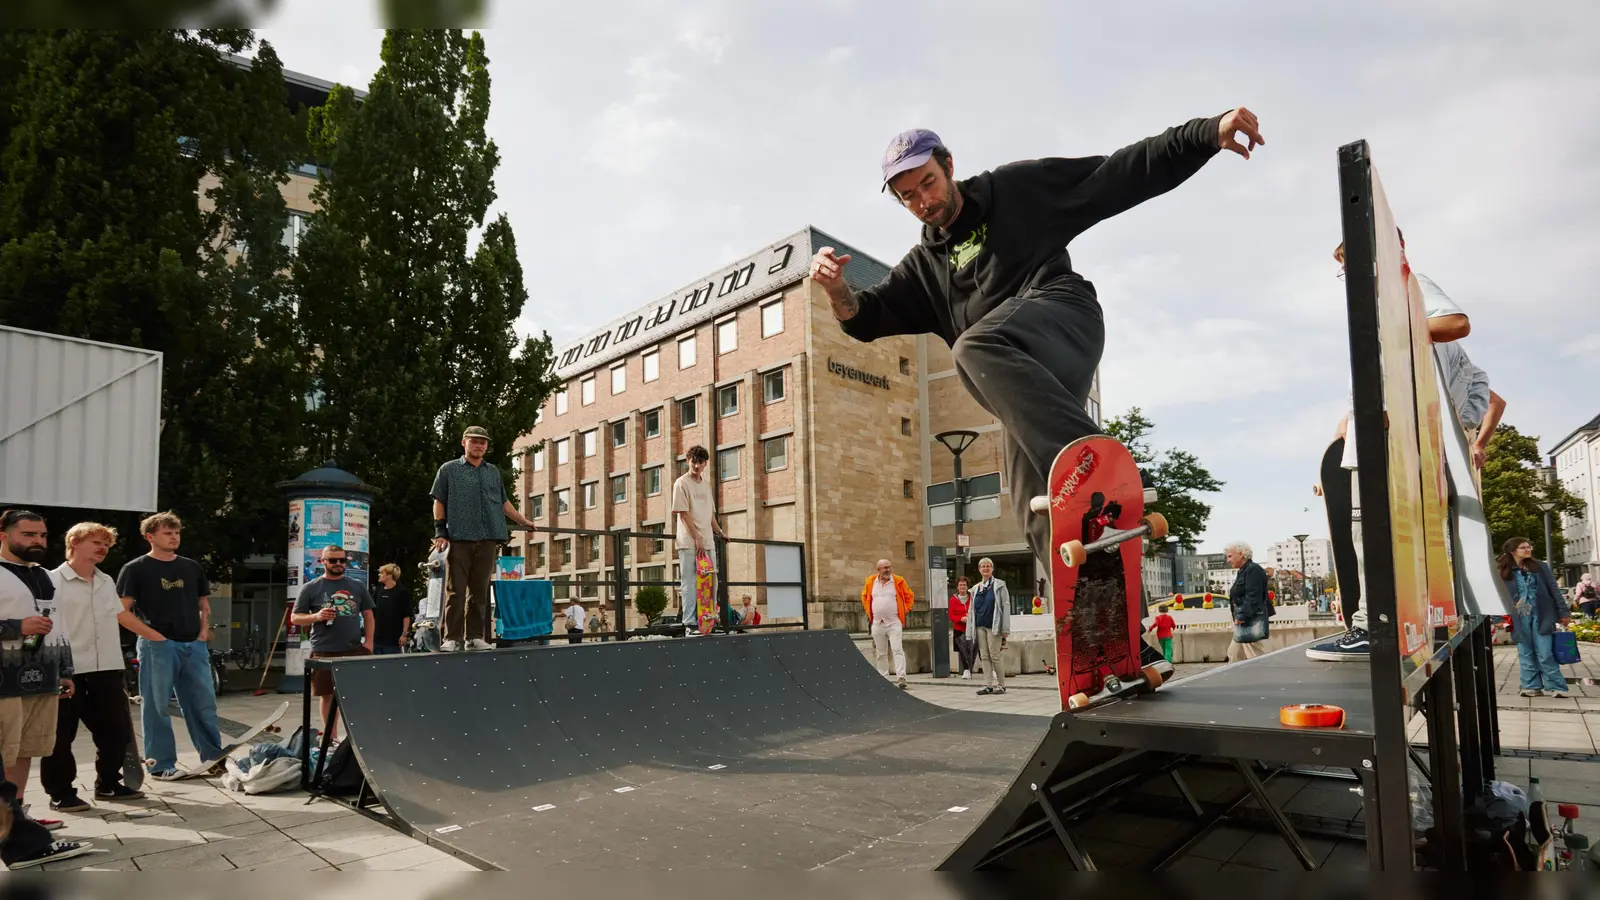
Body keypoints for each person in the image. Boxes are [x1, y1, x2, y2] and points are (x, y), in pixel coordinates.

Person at [812, 108, 1265, 579]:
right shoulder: (924, 269)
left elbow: (1118, 174)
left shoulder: (1016, 189)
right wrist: (836, 290)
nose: (923, 201)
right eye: (908, 197)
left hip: (1065, 320)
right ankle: (1111, 629)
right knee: (1037, 505)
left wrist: (1204, 134)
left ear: (948, 166)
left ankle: (1097, 468)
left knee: (971, 346)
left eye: (928, 183)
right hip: (1026, 384)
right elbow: (862, 319)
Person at [1307, 236, 1506, 662]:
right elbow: (1480, 400)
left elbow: (1456, 321)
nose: (1347, 277)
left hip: (1390, 443)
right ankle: (1425, 619)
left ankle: (1370, 628)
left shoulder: (1403, 292)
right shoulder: (1438, 348)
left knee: (1371, 535)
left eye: (1349, 266)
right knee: (1413, 536)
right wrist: (1466, 435)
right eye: (1343, 269)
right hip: (1406, 441)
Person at [42, 522, 143, 814]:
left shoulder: (107, 581)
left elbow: (117, 617)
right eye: (96, 542)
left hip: (108, 667)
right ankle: (61, 793)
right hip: (68, 670)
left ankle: (109, 784)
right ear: (74, 542)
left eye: (106, 544)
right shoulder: (50, 581)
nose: (103, 548)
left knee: (115, 731)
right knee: (61, 736)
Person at [116, 511, 225, 780]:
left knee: (203, 704)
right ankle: (161, 764)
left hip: (194, 645)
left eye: (177, 532)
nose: (174, 536)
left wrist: (202, 633)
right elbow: (120, 611)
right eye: (168, 532)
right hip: (158, 647)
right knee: (156, 705)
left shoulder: (191, 566)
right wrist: (154, 637)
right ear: (149, 536)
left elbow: (203, 603)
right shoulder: (135, 568)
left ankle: (213, 758)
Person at [430, 425, 538, 652]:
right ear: (464, 443)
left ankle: (475, 636)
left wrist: (523, 521)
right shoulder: (449, 469)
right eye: (474, 441)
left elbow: (503, 503)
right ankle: (452, 637)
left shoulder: (493, 471)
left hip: (488, 536)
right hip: (459, 537)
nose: (479, 445)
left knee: (480, 591)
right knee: (456, 590)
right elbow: (439, 500)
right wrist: (440, 531)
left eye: (483, 442)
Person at [0, 511, 75, 837]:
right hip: (5, 683)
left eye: (42, 536)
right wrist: (16, 627)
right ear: (3, 534)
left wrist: (65, 670)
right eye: (29, 534)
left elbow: (59, 625)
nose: (38, 542)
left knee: (27, 749)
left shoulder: (45, 575)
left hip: (43, 677)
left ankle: (17, 818)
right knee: (3, 752)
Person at [290, 546, 375, 742]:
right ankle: (332, 738)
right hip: (323, 650)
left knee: (355, 696)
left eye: (342, 561)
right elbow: (295, 618)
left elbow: (369, 615)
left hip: (353, 649)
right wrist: (316, 616)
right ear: (323, 562)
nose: (338, 564)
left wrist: (369, 643)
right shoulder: (311, 587)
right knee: (327, 695)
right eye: (333, 560)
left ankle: (357, 740)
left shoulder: (357, 586)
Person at [1499, 538, 1570, 698]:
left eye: (1528, 546)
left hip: (1542, 614)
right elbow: (1500, 597)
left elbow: (1554, 589)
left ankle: (1556, 686)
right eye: (1523, 547)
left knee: (1545, 652)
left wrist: (1563, 612)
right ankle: (1531, 686)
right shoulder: (1504, 570)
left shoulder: (1540, 567)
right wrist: (1499, 619)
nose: (1528, 549)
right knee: (1525, 652)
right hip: (1518, 617)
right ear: (1513, 551)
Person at [672, 445, 728, 634]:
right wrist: (697, 538)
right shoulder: (681, 483)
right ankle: (689, 624)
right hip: (689, 542)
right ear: (688, 461)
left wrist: (719, 532)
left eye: (700, 462)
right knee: (690, 582)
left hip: (707, 541)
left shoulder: (705, 484)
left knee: (711, 582)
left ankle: (708, 622)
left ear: (705, 464)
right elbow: (683, 513)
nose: (696, 465)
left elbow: (709, 514)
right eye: (693, 461)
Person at [861, 559, 914, 687]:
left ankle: (901, 677)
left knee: (897, 649)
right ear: (878, 569)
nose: (888, 570)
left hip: (894, 622)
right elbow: (864, 596)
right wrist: (869, 610)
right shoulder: (870, 582)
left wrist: (904, 609)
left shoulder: (898, 581)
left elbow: (909, 596)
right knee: (880, 652)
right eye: (885, 568)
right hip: (878, 623)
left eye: (889, 567)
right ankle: (883, 678)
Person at [969, 558, 1012, 696]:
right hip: (979, 625)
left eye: (988, 566)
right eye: (983, 566)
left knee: (994, 655)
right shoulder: (976, 588)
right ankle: (988, 685)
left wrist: (1005, 629)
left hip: (993, 626)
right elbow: (971, 609)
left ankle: (1001, 685)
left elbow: (1005, 606)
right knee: (984, 656)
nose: (985, 568)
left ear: (992, 569)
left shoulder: (999, 585)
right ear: (979, 569)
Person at [1225, 542, 1270, 663]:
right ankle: (1235, 675)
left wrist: (1242, 616)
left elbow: (1253, 596)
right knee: (1234, 652)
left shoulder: (1252, 570)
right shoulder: (1245, 570)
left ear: (1241, 554)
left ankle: (1260, 676)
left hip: (1249, 618)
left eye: (1230, 556)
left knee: (1253, 654)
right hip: (1245, 617)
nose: (1228, 560)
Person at [371, 564, 411, 656]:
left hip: (393, 640)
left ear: (389, 575)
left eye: (382, 573)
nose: (379, 575)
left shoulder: (402, 592)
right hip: (376, 638)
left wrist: (404, 635)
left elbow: (406, 615)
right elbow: (372, 612)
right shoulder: (378, 591)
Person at [948, 576, 976, 679]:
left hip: (972, 628)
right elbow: (951, 615)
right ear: (957, 587)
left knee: (976, 648)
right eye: (960, 585)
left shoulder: (972, 598)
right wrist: (961, 618)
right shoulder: (953, 600)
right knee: (962, 650)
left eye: (964, 585)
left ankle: (990, 670)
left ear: (967, 586)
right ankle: (966, 670)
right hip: (959, 628)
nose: (962, 587)